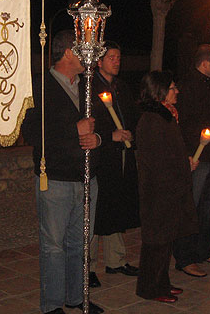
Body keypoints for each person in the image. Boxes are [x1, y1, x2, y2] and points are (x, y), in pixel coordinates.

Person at [22, 30, 106, 314]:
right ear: (69, 52)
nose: (89, 56)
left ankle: (76, 296)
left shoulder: (88, 85)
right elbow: (30, 131)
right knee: (53, 247)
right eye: (83, 50)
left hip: (85, 177)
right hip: (55, 178)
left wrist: (98, 139)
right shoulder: (40, 86)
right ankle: (52, 305)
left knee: (81, 242)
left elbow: (103, 124)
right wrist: (74, 130)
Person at [135, 71, 197, 303]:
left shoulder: (166, 116)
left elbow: (171, 150)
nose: (176, 91)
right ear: (159, 91)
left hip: (169, 189)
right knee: (156, 243)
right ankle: (150, 287)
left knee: (165, 240)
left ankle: (162, 282)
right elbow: (157, 159)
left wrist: (185, 161)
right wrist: (181, 166)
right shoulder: (152, 120)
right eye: (172, 88)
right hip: (159, 192)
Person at [172, 44, 210, 277]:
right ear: (205, 62)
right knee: (191, 206)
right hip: (197, 155)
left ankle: (202, 249)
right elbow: (186, 122)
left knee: (206, 206)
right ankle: (184, 256)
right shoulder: (188, 86)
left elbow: (209, 115)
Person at [89, 42, 140, 287]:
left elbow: (131, 116)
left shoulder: (121, 87)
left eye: (119, 57)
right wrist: (111, 135)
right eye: (111, 57)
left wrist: (130, 133)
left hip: (121, 155)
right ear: (99, 61)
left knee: (117, 205)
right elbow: (88, 124)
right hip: (102, 157)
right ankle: (88, 266)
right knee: (98, 210)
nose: (117, 61)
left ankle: (116, 260)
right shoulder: (89, 87)